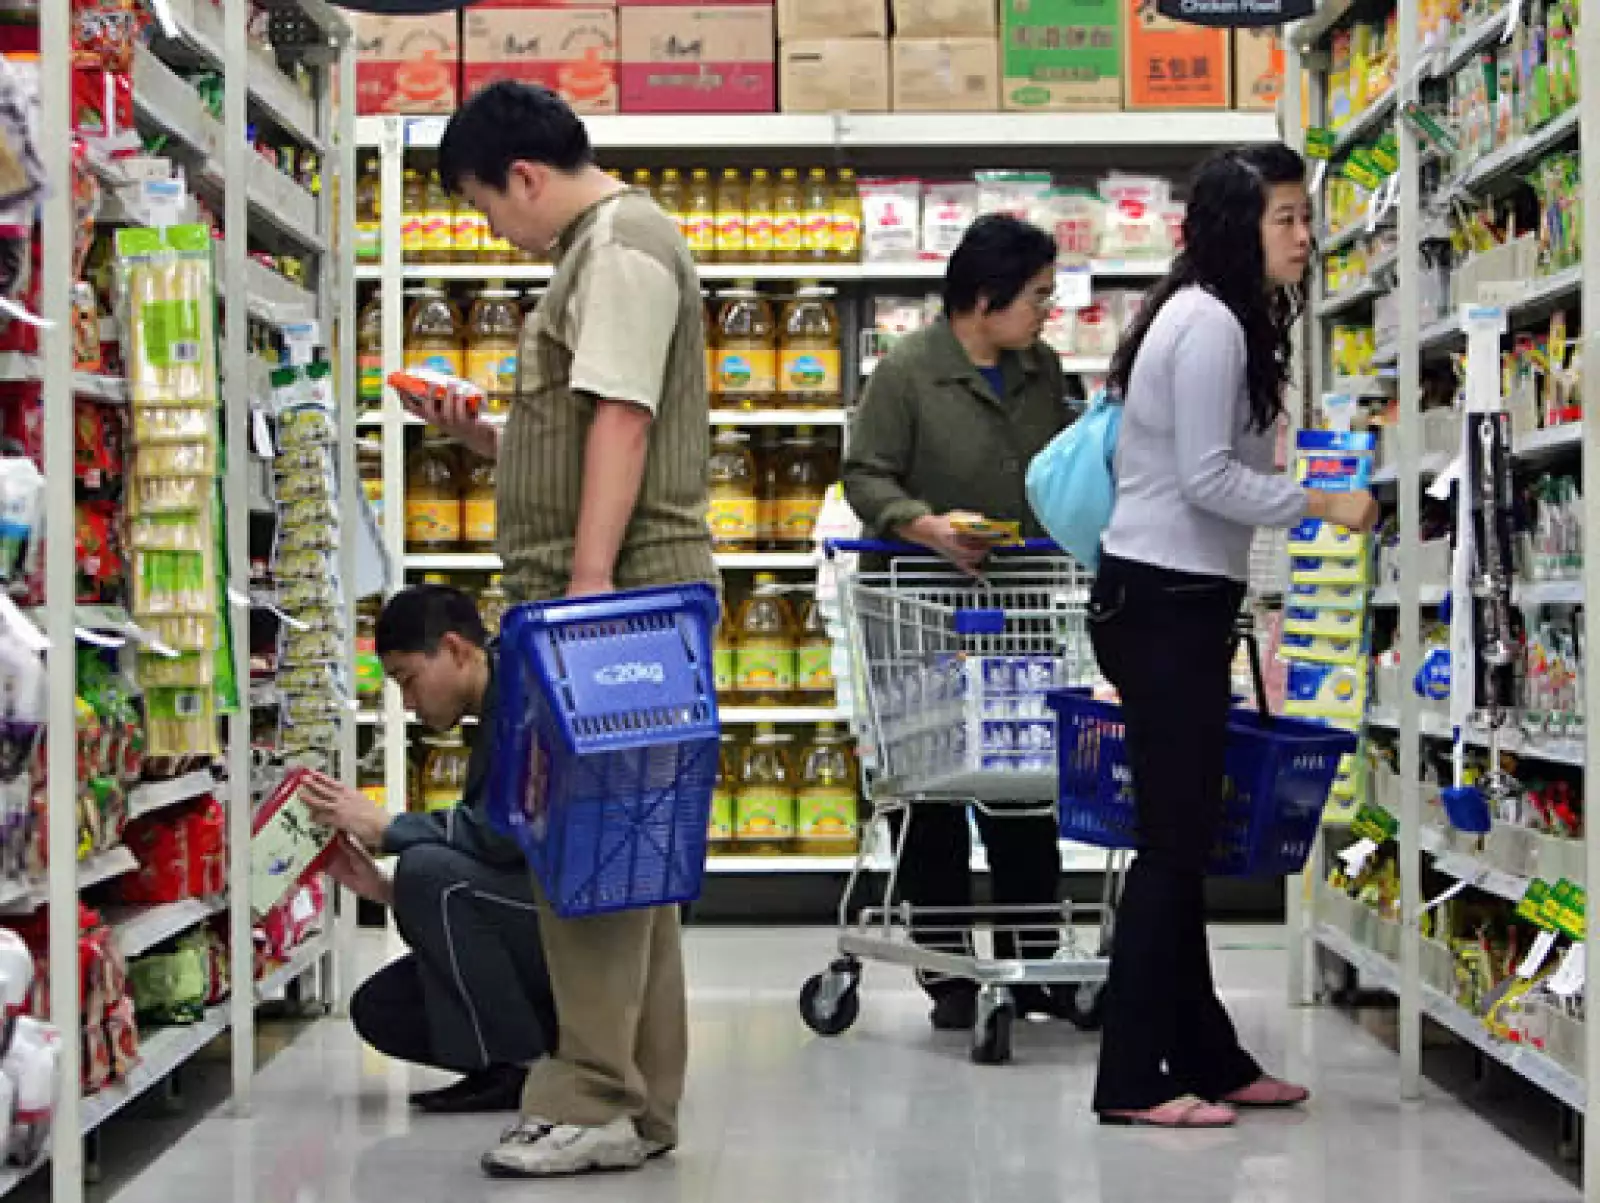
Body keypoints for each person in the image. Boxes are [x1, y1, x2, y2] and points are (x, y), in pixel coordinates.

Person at [395, 81, 718, 1179]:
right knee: (631, 864)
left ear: (523, 174)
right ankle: (637, 1103)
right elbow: (588, 429)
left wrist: (586, 592)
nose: (495, 229)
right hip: (602, 601)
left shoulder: (618, 242)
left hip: (613, 605)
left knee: (588, 863)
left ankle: (588, 1095)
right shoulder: (592, 251)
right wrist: (485, 439)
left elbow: (625, 417)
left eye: (488, 207)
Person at [1089, 143, 1379, 1129]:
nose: (1304, 236)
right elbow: (1210, 478)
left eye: (1304, 217)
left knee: (1183, 839)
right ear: (1234, 226)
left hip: (1178, 601)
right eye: (1285, 219)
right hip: (1161, 605)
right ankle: (1131, 1079)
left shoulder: (1217, 315)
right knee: (1170, 847)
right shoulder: (1209, 323)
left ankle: (1207, 1056)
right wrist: (1320, 505)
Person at [841, 214, 1074, 1031]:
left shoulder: (1042, 370)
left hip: (1019, 605)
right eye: (1037, 295)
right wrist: (928, 525)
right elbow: (864, 475)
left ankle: (1034, 959)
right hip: (922, 611)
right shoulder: (907, 373)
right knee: (932, 796)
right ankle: (947, 970)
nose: (1047, 310)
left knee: (1025, 792)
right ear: (986, 298)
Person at [300, 585, 556, 1115]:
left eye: (408, 680)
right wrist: (383, 889)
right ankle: (541, 1050)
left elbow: (504, 837)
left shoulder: (524, 698)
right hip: (535, 909)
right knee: (381, 1010)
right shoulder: (497, 702)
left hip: (576, 919)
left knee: (424, 869)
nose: (409, 703)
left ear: (458, 650)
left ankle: (516, 1065)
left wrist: (389, 828)